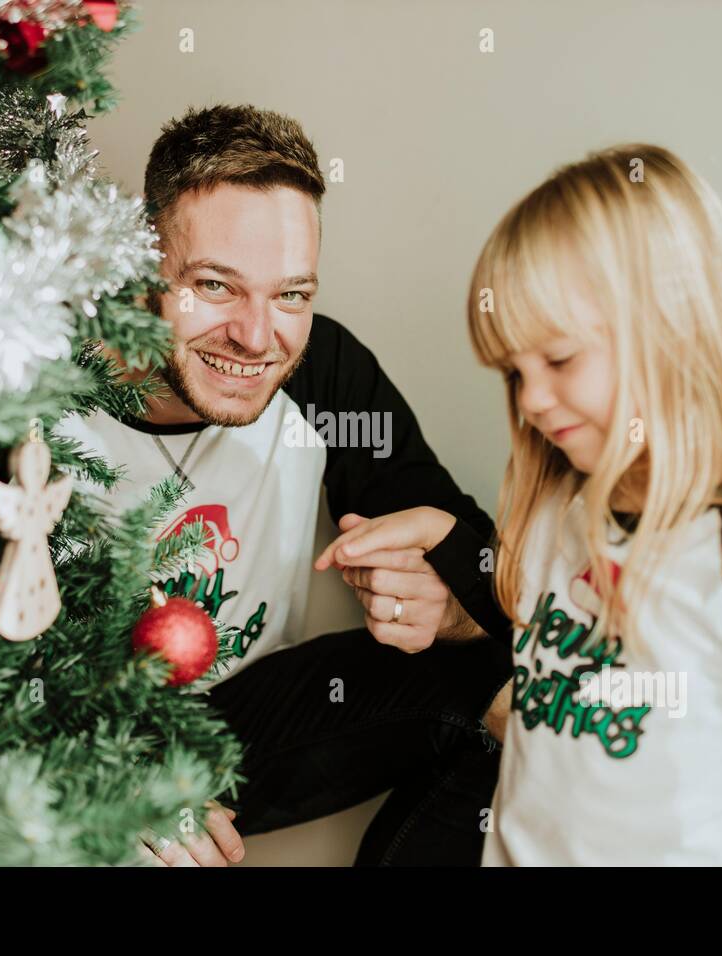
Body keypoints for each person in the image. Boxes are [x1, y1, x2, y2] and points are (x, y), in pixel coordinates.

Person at [317, 144, 722, 865]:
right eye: (513, 373)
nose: (531, 400)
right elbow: (539, 624)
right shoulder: (563, 495)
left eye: (557, 361)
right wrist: (444, 535)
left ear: (672, 329)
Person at [56, 104, 512, 866]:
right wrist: (97, 773)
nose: (258, 336)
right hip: (52, 741)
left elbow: (484, 567)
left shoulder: (326, 373)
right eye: (216, 285)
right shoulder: (25, 384)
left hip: (240, 725)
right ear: (143, 267)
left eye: (292, 294)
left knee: (506, 684)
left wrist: (451, 610)